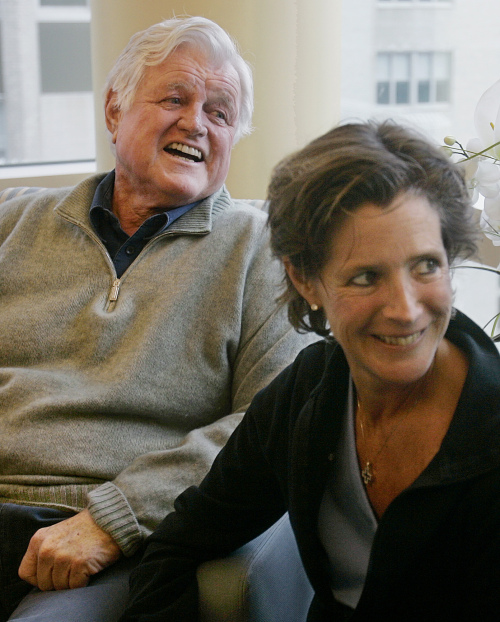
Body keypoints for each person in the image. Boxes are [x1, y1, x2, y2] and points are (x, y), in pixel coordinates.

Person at [0, 16, 315, 622]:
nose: (196, 121)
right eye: (175, 97)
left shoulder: (262, 250)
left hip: (108, 534)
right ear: (114, 111)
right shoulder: (16, 222)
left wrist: (116, 517)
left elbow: (270, 424)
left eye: (219, 113)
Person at [119, 120, 500, 622]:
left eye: (426, 266)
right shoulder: (308, 391)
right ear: (306, 281)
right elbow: (178, 544)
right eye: (366, 276)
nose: (406, 310)